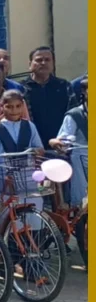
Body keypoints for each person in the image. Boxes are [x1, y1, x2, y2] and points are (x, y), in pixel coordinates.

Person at [0, 91, 45, 229]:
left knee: (33, 211)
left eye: (18, 106)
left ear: (22, 106)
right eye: (9, 107)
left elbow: (39, 148)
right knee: (6, 216)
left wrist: (36, 151)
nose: (14, 110)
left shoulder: (29, 126)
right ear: (2, 107)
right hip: (5, 180)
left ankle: (32, 241)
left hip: (27, 178)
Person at [21, 46, 73, 151]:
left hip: (60, 146)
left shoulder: (64, 86)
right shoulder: (21, 89)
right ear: (30, 64)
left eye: (47, 60)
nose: (43, 63)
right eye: (39, 60)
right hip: (32, 148)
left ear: (53, 64)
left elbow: (72, 115)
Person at [51, 77, 88, 209]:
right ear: (84, 91)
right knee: (82, 204)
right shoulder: (75, 115)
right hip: (82, 161)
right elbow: (64, 139)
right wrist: (60, 143)